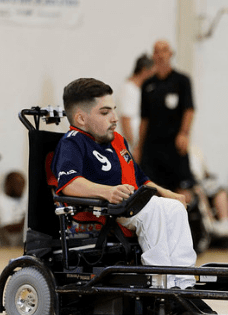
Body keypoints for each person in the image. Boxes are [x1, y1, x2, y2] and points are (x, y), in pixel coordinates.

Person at [52, 77, 199, 290]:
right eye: (105, 112)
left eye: (114, 109)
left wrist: (169, 193)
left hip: (129, 206)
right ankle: (162, 287)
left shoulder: (118, 140)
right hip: (101, 212)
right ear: (81, 119)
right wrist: (107, 192)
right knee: (153, 210)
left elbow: (140, 179)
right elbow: (69, 183)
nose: (114, 118)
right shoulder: (72, 142)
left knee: (175, 208)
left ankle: (185, 286)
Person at [134, 40, 196, 201]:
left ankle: (183, 224)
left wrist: (184, 133)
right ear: (153, 55)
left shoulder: (182, 81)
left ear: (171, 53)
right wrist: (139, 147)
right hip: (152, 147)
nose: (160, 55)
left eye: (164, 50)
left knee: (182, 192)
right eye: (156, 51)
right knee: (151, 189)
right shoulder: (148, 84)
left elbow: (189, 109)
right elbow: (144, 118)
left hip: (174, 145)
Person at [119, 54, 154, 149]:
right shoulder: (129, 89)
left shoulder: (141, 89)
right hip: (134, 146)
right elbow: (125, 121)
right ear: (144, 70)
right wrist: (135, 147)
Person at [0, 171, 26, 246]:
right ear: (8, 184)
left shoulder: (24, 201)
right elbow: (6, 229)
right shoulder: (0, 202)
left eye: (23, 184)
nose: (22, 187)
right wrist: (25, 221)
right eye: (18, 184)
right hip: (6, 240)